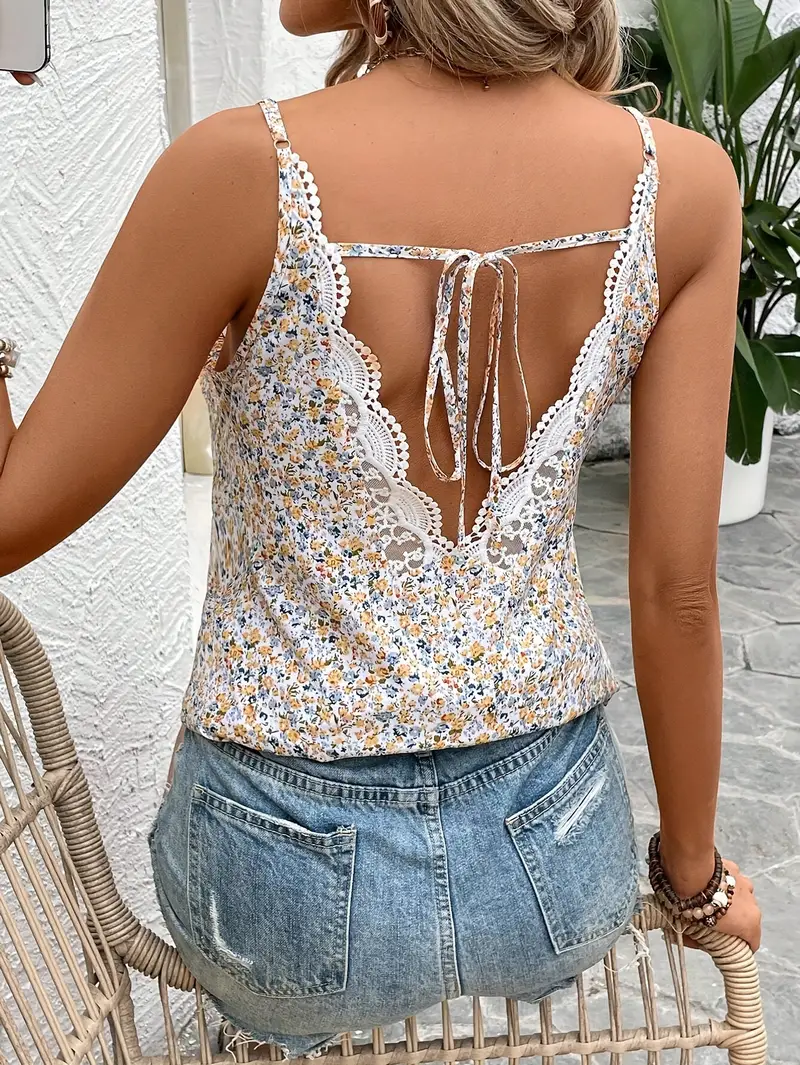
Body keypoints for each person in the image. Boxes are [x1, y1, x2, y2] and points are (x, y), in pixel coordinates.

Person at [1, 0, 761, 1055]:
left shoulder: (237, 173)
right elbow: (676, 591)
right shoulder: (682, 185)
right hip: (555, 872)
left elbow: (9, 520)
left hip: (278, 897)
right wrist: (695, 879)